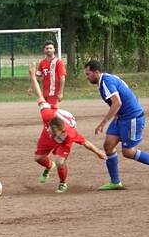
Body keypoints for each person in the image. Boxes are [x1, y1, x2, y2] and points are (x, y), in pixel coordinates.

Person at [84, 60, 149, 190]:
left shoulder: (106, 82)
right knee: (108, 145)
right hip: (122, 117)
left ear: (96, 72)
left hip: (132, 118)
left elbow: (117, 103)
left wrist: (103, 123)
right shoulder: (106, 79)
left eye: (88, 74)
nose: (87, 77)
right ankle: (115, 182)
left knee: (128, 152)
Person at [29, 64, 107, 193]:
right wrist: (33, 76)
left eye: (53, 132)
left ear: (61, 131)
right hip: (55, 122)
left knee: (60, 161)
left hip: (65, 138)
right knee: (38, 158)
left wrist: (99, 152)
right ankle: (49, 166)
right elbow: (39, 95)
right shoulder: (47, 115)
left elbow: (86, 143)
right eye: (50, 129)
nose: (50, 132)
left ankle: (62, 183)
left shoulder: (70, 134)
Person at [28, 41, 66, 107]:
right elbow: (37, 77)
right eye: (47, 48)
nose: (49, 50)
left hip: (54, 92)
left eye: (50, 48)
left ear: (54, 50)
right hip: (45, 92)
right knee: (47, 110)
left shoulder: (58, 62)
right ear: (44, 50)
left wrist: (61, 92)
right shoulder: (42, 63)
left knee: (51, 112)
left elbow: (62, 78)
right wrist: (31, 88)